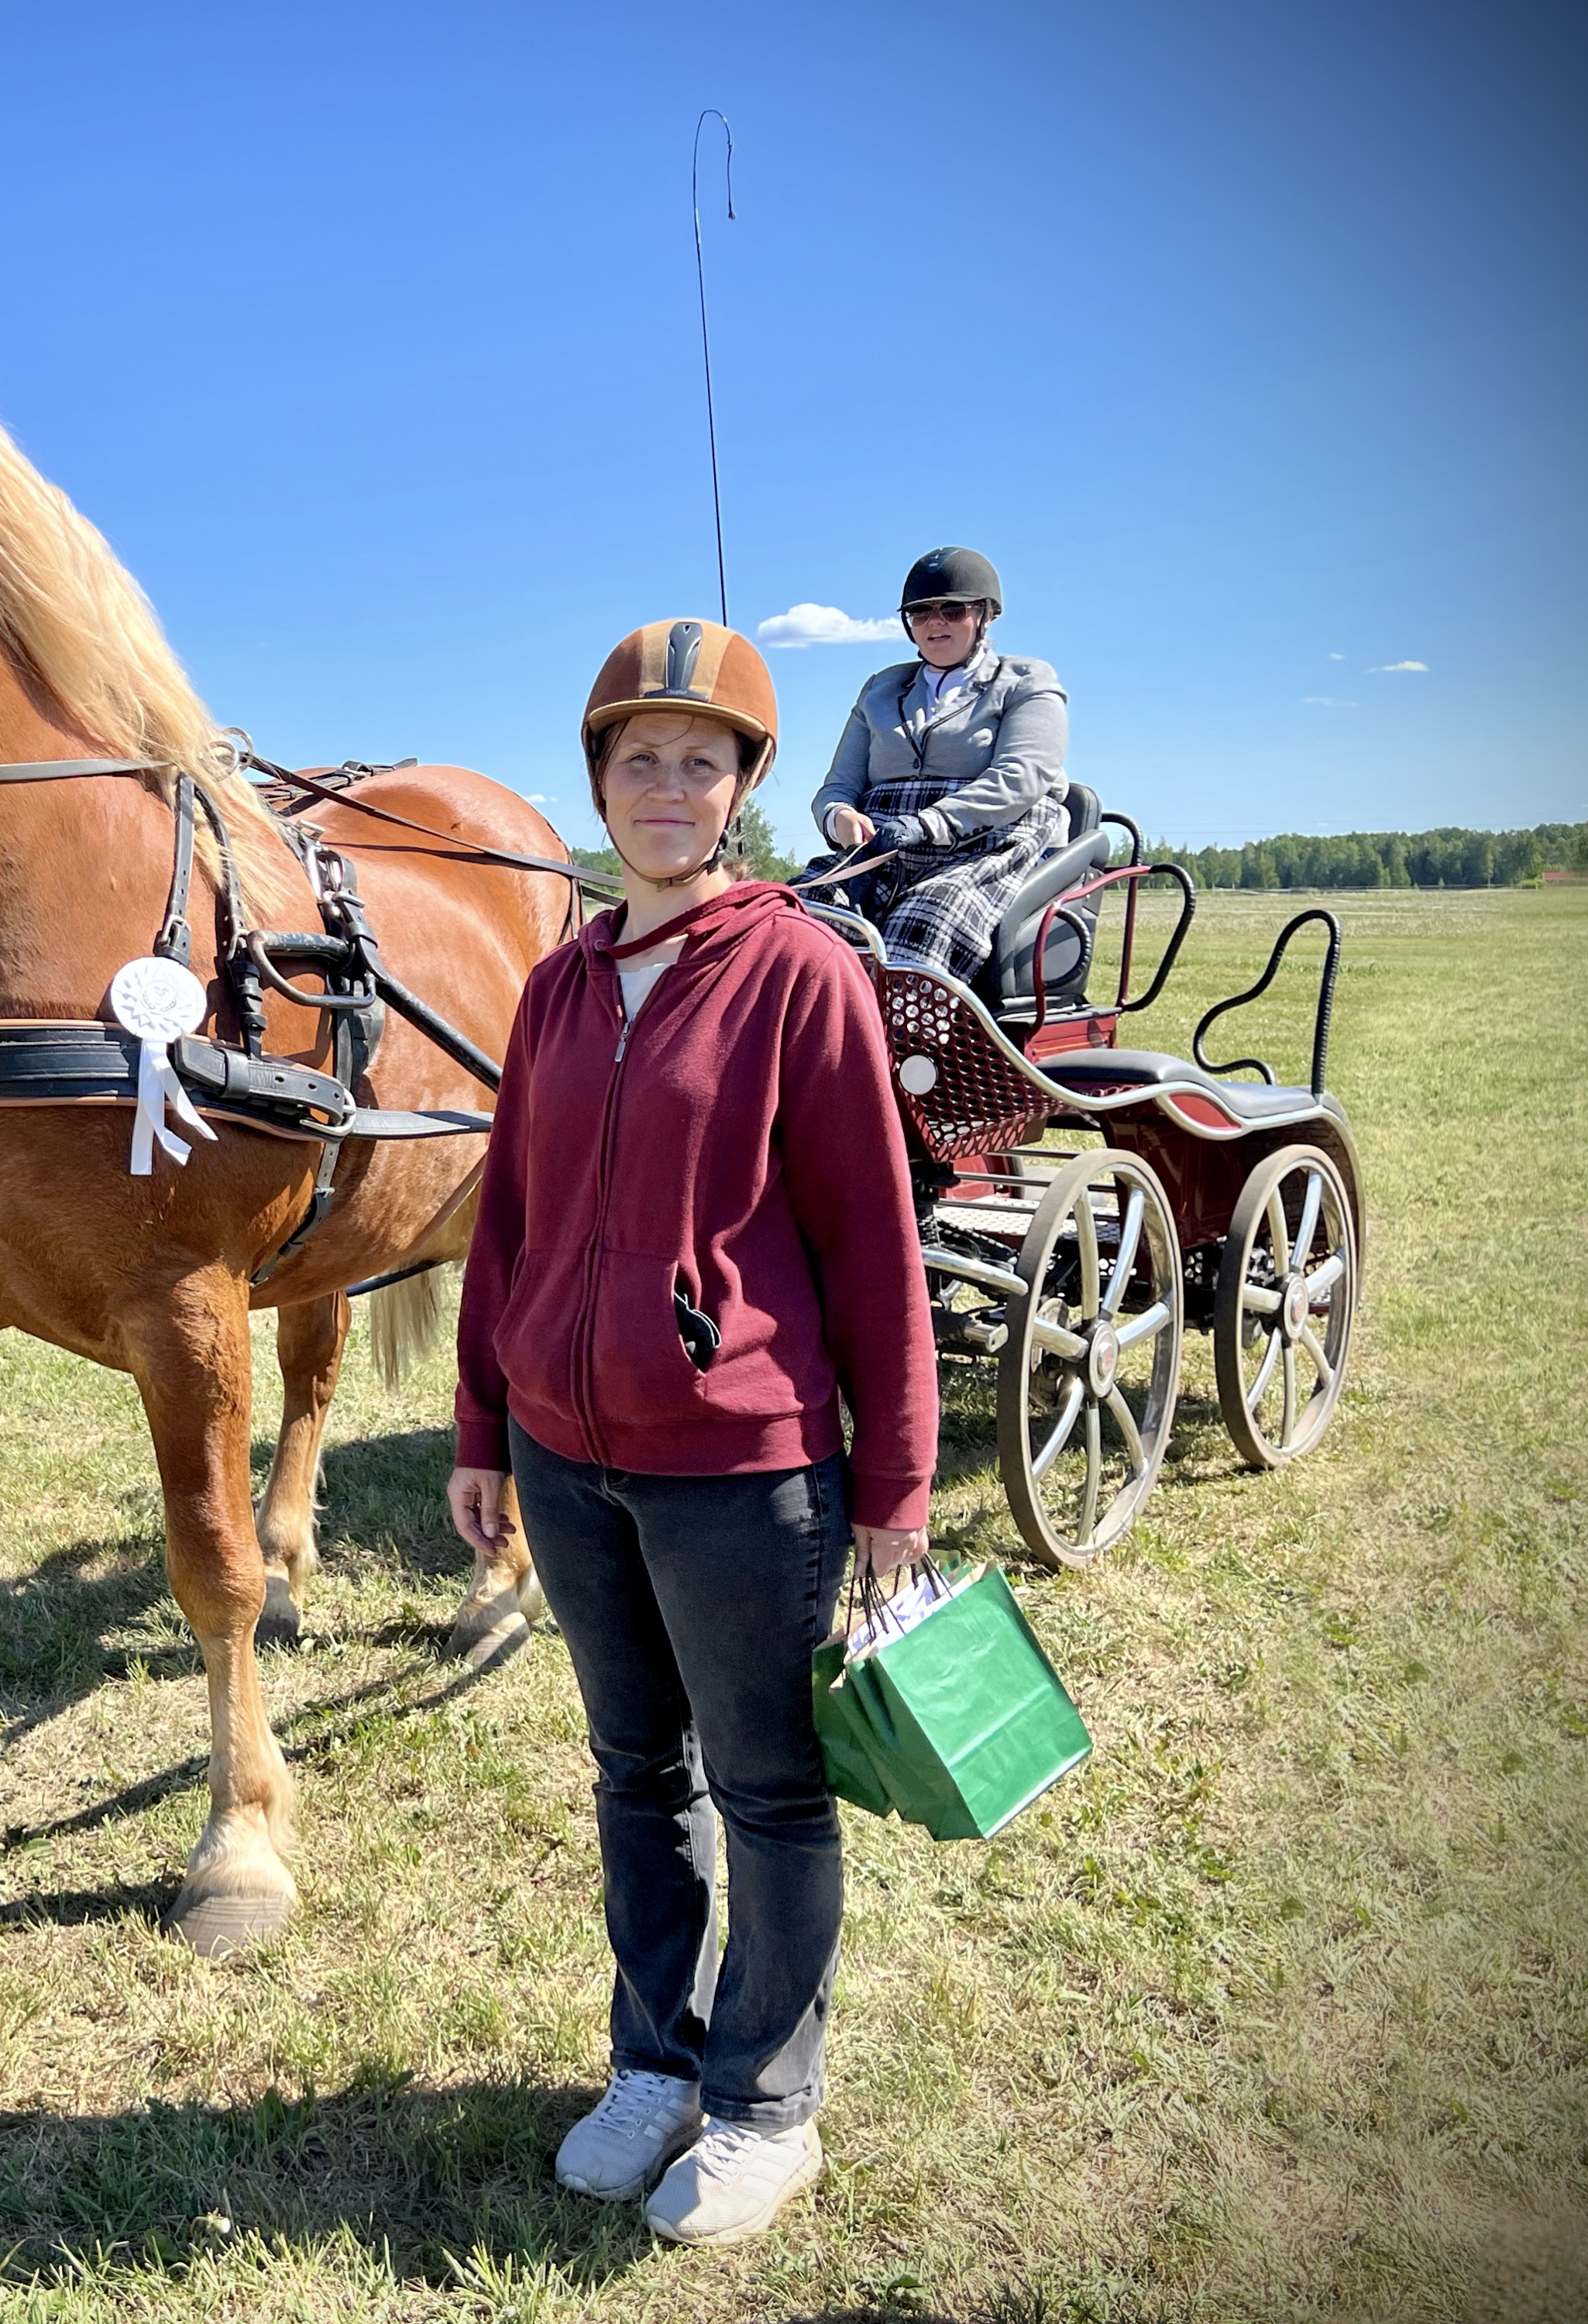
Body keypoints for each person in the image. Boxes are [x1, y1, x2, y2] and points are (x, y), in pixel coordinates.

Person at [448, 617, 938, 2246]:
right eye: (637, 758)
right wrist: (478, 1427)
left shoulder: (798, 973)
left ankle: (760, 2105)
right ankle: (651, 2064)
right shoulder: (558, 987)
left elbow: (870, 1240)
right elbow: (504, 1221)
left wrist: (895, 1480)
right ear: (596, 780)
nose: (668, 786)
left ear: (740, 791)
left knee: (766, 1788)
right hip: (565, 1458)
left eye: (701, 761)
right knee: (628, 1773)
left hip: (742, 1468)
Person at [809, 547, 1070, 982]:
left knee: (924, 920)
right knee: (796, 915)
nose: (935, 622)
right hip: (882, 849)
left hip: (985, 845)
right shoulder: (880, 688)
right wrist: (839, 819)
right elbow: (838, 785)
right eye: (920, 612)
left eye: (952, 610)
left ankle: (909, 1043)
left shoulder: (1026, 682)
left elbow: (1021, 776)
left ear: (985, 615)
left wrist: (928, 824)